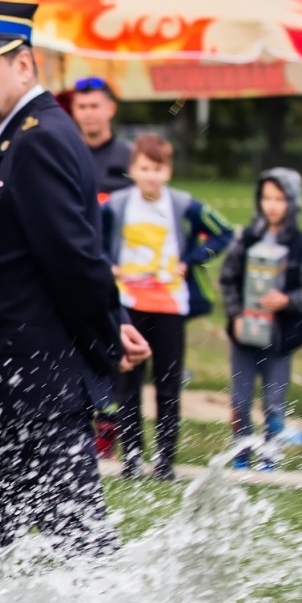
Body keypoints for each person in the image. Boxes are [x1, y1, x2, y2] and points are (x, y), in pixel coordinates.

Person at [0, 0, 150, 557]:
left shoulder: (38, 138)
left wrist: (104, 339)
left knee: (76, 547)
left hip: (33, 388)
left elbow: (75, 260)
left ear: (24, 65)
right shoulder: (17, 135)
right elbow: (72, 248)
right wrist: (116, 321)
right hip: (9, 387)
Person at [102, 134, 233, 479]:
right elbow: (88, 237)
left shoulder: (181, 204)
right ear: (133, 169)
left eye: (157, 169)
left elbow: (223, 232)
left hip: (170, 303)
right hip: (128, 303)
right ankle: (130, 456)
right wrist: (107, 264)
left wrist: (192, 259)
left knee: (168, 382)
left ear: (168, 171)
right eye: (144, 168)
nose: (150, 176)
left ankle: (164, 460)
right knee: (128, 382)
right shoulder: (117, 205)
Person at [219, 168, 302, 471]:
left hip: (280, 337)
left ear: (291, 201)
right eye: (266, 198)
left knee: (274, 402)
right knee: (240, 400)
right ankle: (241, 456)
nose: (272, 205)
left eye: (279, 198)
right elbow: (228, 279)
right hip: (245, 334)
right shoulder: (246, 239)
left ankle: (270, 457)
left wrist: (287, 301)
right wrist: (235, 315)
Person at [70, 76, 133, 196]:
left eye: (94, 106)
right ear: (74, 110)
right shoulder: (65, 157)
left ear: (111, 108)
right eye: (82, 107)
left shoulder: (130, 157)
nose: (88, 113)